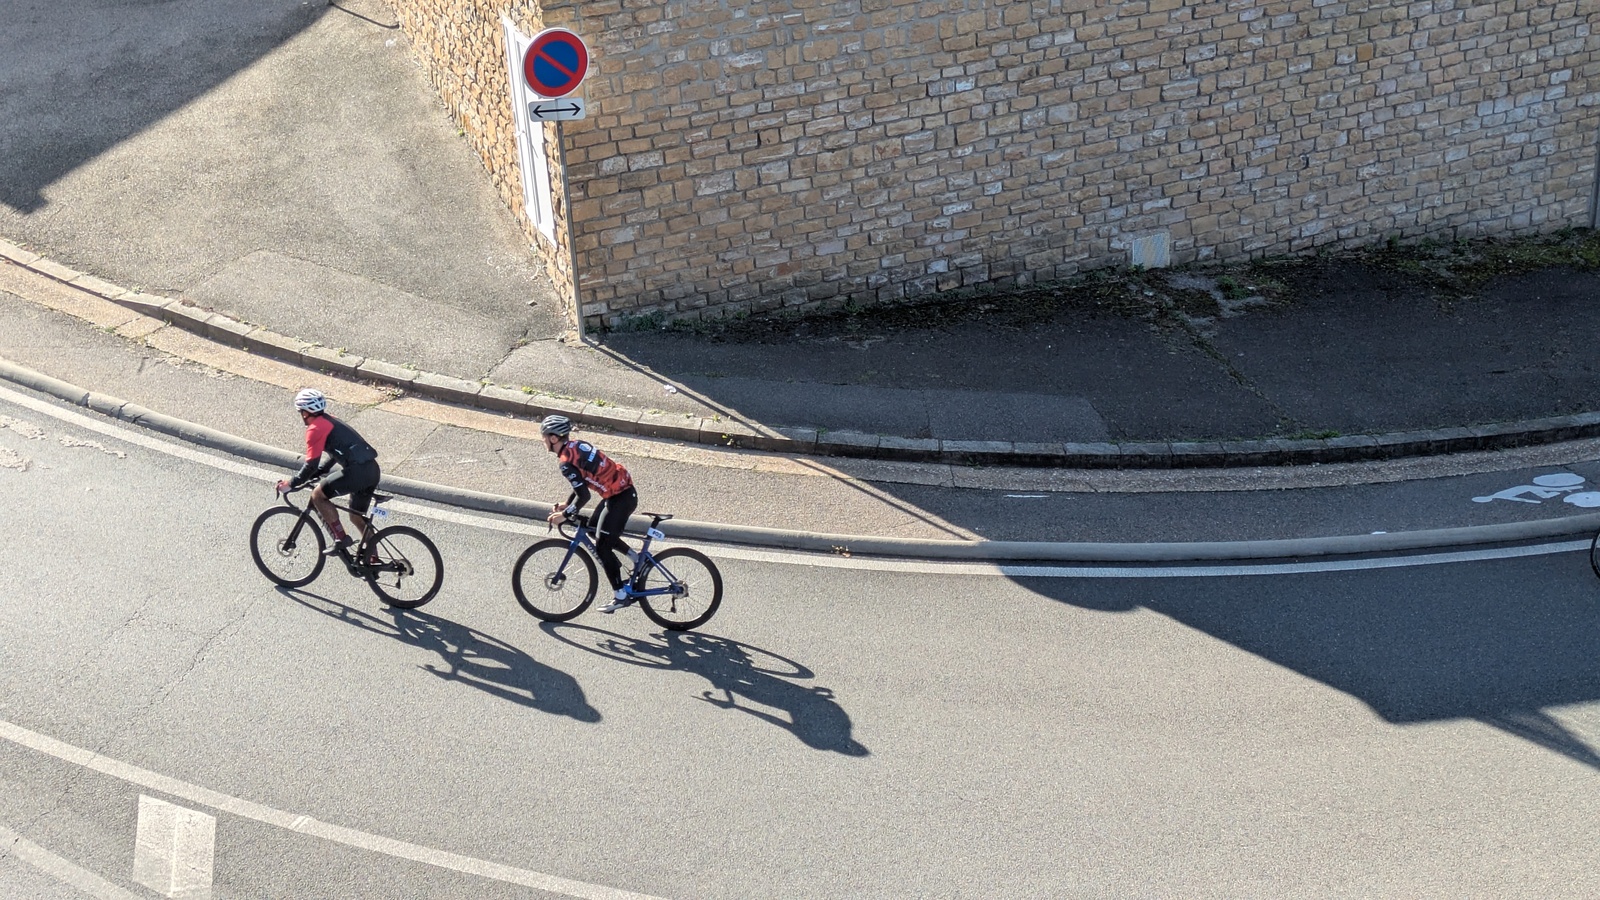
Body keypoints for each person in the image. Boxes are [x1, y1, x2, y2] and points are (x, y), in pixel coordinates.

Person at [539, 415, 639, 613]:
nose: (543, 440)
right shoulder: (575, 446)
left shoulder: (565, 462)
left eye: (544, 437)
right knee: (593, 530)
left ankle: (621, 595)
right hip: (618, 494)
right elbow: (581, 484)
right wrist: (567, 504)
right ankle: (637, 560)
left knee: (603, 547)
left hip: (620, 499)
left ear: (553, 438)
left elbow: (584, 495)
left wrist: (565, 515)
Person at [275, 388, 381, 557]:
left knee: (318, 495)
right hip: (372, 470)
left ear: (305, 412)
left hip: (357, 472)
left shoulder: (315, 429)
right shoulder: (331, 420)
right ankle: (373, 558)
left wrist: (292, 483)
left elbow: (310, 465)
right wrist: (322, 471)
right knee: (356, 517)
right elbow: (335, 454)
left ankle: (341, 539)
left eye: (300, 412)